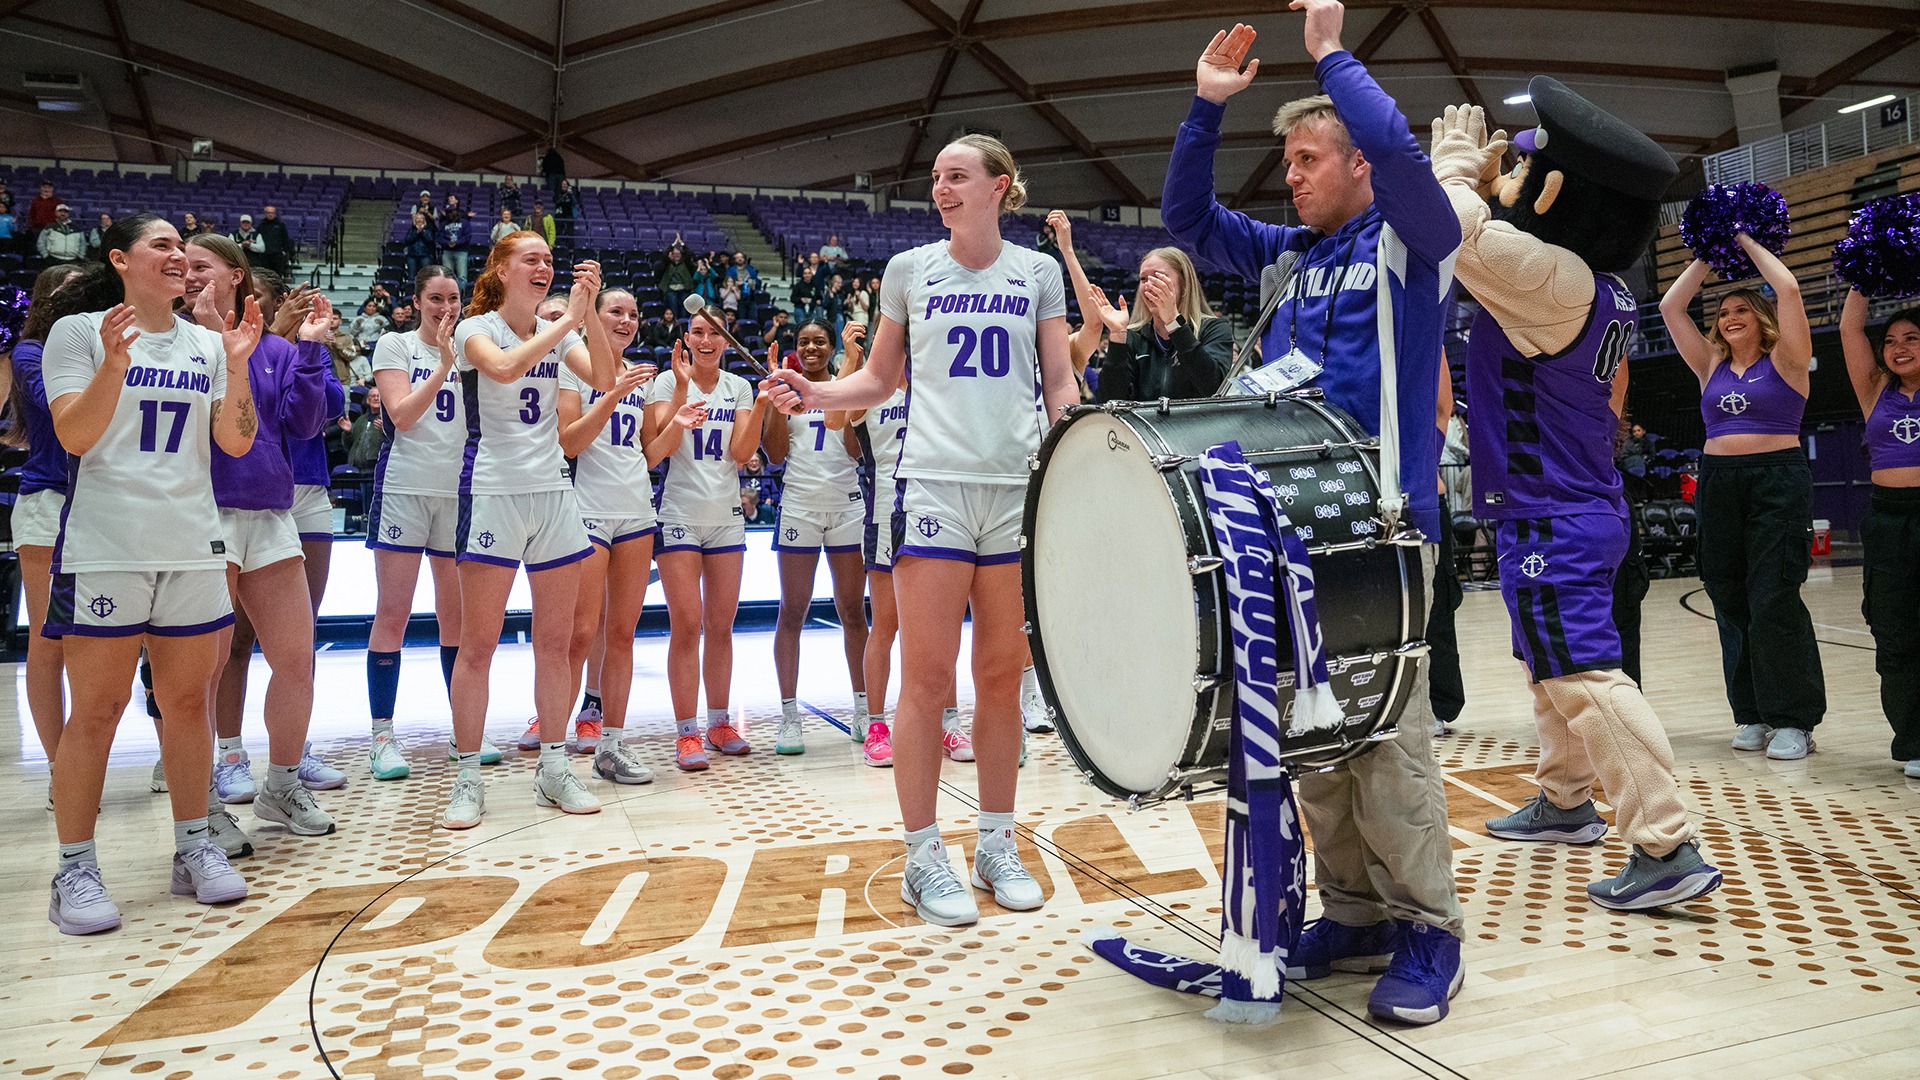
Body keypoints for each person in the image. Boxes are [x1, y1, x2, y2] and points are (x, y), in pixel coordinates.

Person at [1159, 7, 1462, 1023]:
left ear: (1359, 166)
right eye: (1285, 160)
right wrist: (1206, 106)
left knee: (1387, 741)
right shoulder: (1290, 254)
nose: (1289, 176)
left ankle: (1429, 931)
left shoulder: (1413, 243)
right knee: (1311, 732)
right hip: (1288, 529)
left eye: (1305, 158)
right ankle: (1356, 910)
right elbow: (1189, 223)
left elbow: (1402, 147)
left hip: (1382, 521)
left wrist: (1332, 54)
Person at [760, 132, 1074, 929]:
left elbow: (1060, 384)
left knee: (1002, 676)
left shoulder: (1036, 273)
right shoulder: (909, 271)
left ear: (1001, 186)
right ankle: (922, 855)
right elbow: (878, 378)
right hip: (932, 488)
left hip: (1014, 492)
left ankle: (997, 843)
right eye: (935, 176)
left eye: (957, 176)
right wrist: (816, 391)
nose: (940, 187)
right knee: (928, 681)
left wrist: (1084, 462)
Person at [1431, 84, 1721, 913]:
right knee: (1551, 669)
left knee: (1587, 676)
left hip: (1553, 513)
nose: (1514, 178)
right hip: (1566, 506)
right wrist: (1491, 193)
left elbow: (1453, 237)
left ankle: (1666, 845)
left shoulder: (1555, 280)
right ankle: (1564, 802)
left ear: (1558, 194)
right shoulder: (1594, 282)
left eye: (1527, 171)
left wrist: (1455, 170)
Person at [40, 213, 262, 935]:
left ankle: (193, 847)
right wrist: (112, 365)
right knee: (98, 711)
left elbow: (235, 439)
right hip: (107, 546)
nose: (178, 257)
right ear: (120, 260)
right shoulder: (78, 333)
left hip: (191, 543)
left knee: (188, 703)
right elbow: (75, 434)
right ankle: (74, 866)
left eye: (183, 248)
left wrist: (237, 363)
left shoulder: (205, 342)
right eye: (162, 246)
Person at [441, 231, 616, 829]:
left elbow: (604, 377)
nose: (543, 266)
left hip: (554, 496)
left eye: (549, 259)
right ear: (502, 267)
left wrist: (587, 316)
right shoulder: (475, 329)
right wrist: (567, 318)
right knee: (478, 646)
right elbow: (508, 367)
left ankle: (553, 766)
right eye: (530, 259)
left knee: (558, 642)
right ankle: (467, 777)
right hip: (492, 492)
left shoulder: (557, 327)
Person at [184, 234, 341, 837]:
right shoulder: (180, 346)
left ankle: (281, 785)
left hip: (272, 514)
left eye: (203, 266)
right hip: (205, 514)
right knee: (205, 669)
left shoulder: (275, 348)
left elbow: (305, 423)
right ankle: (205, 804)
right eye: (185, 267)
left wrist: (308, 350)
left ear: (235, 276)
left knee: (297, 660)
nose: (190, 273)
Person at [1659, 234, 1824, 759]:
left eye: (1742, 310)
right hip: (1719, 481)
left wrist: (1741, 238)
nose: (1730, 317)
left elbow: (1790, 288)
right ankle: (1750, 712)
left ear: (1760, 316)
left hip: (1776, 478)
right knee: (1728, 596)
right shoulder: (1708, 362)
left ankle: (1793, 720)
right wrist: (1707, 252)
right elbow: (1670, 305)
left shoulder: (1789, 359)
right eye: (1724, 311)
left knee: (1773, 594)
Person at [364, 266, 496, 779]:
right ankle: (382, 735)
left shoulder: (473, 347)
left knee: (455, 618)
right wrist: (443, 364)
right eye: (436, 298)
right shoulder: (395, 346)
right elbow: (400, 415)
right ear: (418, 301)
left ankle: (462, 735)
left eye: (454, 298)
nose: (446, 307)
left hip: (456, 492)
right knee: (393, 613)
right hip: (403, 489)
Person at [553, 287, 679, 784]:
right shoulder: (571, 367)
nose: (626, 320)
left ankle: (612, 745)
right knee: (581, 632)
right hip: (587, 508)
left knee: (622, 634)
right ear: (592, 316)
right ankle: (553, 753)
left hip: (636, 510)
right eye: (615, 312)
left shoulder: (644, 374)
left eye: (632, 314)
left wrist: (682, 411)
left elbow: (648, 454)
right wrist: (613, 393)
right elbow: (570, 442)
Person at [646, 313, 773, 770]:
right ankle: (686, 733)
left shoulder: (737, 387)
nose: (706, 340)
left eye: (714, 333)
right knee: (687, 624)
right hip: (678, 513)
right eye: (697, 332)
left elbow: (742, 454)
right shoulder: (664, 383)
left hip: (725, 518)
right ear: (686, 339)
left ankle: (719, 723)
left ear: (725, 340)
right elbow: (655, 450)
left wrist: (760, 403)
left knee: (721, 625)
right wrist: (681, 391)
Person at [762, 320, 871, 755]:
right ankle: (789, 717)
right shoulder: (787, 390)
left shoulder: (851, 387)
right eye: (804, 341)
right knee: (792, 611)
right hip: (799, 508)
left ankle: (866, 709)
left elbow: (854, 448)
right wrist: (773, 398)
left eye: (819, 341)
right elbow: (773, 454)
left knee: (852, 611)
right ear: (796, 348)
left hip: (846, 506)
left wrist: (851, 371)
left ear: (830, 348)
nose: (811, 347)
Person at [4, 263, 87, 809]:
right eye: (69, 288)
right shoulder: (31, 353)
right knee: (48, 640)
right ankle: (61, 765)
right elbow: (65, 416)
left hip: (101, 504)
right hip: (48, 501)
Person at [1839, 291, 1920, 778]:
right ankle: (1913, 740)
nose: (1898, 347)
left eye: (1912, 338)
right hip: (1889, 520)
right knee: (1894, 633)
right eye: (1891, 341)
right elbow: (1850, 329)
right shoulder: (1875, 390)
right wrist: (1863, 273)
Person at [1086, 246, 1235, 402]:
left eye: (1159, 277)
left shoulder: (1214, 328)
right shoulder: (1133, 336)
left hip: (1196, 425)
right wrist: (1117, 336)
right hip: (1143, 426)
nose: (1149, 285)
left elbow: (1214, 389)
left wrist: (1174, 323)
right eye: (1143, 279)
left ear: (1184, 284)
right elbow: (1110, 401)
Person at [441, 194, 473, 283]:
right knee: (447, 277)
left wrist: (456, 243)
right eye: (448, 212)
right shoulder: (443, 224)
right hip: (447, 251)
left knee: (462, 277)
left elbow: (467, 237)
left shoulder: (465, 223)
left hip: (461, 251)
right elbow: (439, 237)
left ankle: (461, 295)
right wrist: (448, 243)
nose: (450, 213)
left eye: (452, 211)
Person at [258, 205, 292, 277]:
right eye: (268, 212)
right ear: (265, 214)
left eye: (272, 213)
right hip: (265, 256)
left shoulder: (281, 225)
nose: (270, 214)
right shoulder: (261, 226)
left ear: (275, 214)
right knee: (265, 276)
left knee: (277, 276)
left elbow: (285, 239)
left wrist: (284, 251)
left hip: (278, 255)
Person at [660, 246, 695, 317]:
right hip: (671, 289)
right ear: (671, 254)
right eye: (675, 253)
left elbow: (690, 254)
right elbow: (664, 256)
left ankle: (683, 323)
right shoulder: (667, 263)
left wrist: (683, 245)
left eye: (678, 253)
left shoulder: (686, 263)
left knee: (684, 309)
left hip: (684, 289)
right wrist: (672, 246)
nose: (677, 255)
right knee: (673, 308)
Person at [403, 211, 439, 279]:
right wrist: (416, 233)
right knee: (411, 276)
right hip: (412, 256)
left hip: (425, 255)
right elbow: (408, 240)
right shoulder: (412, 230)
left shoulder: (428, 229)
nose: (419, 220)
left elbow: (430, 240)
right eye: (417, 218)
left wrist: (422, 232)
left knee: (425, 277)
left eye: (421, 218)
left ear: (424, 220)